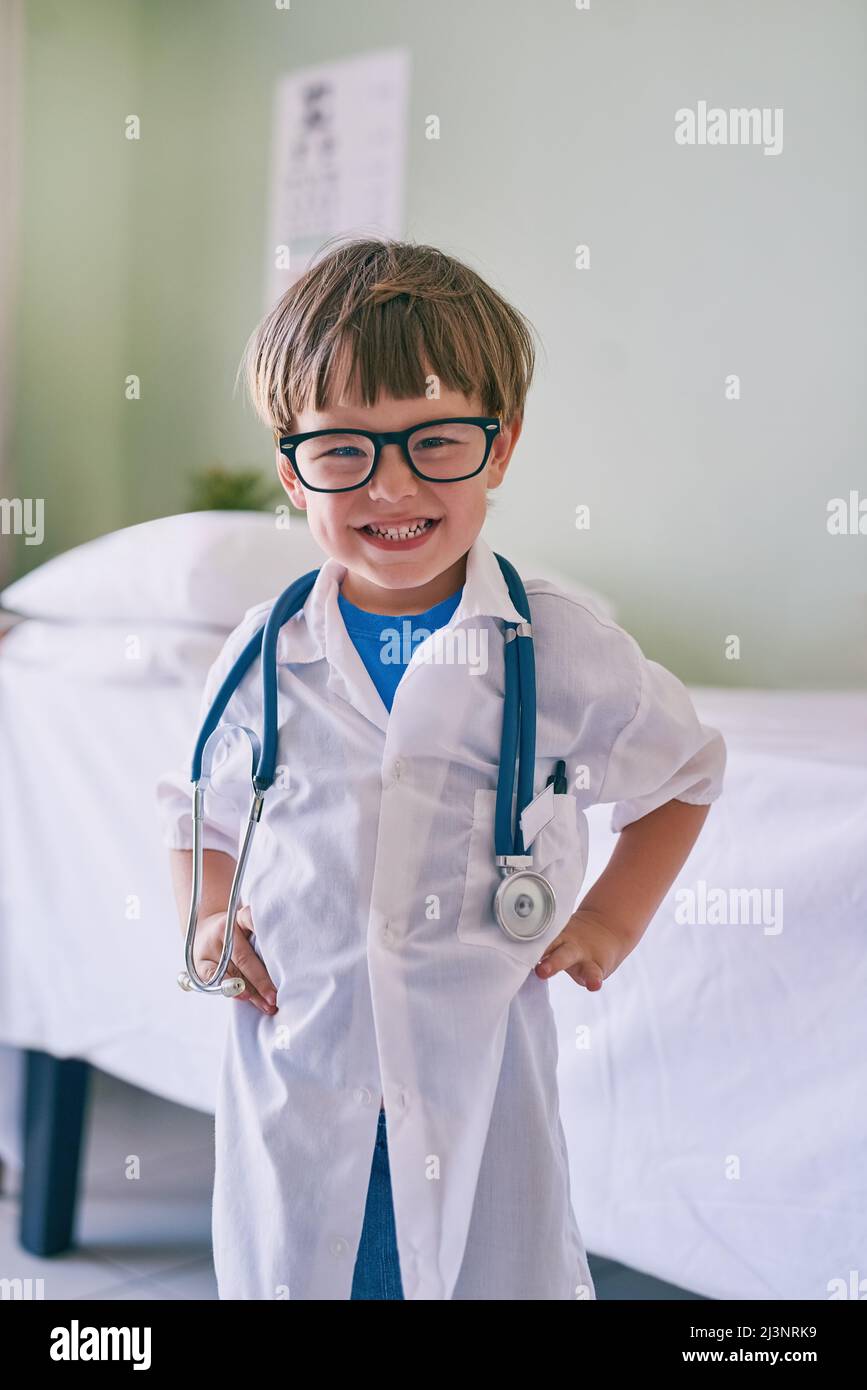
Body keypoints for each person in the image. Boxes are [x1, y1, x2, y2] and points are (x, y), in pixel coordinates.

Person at [156, 235, 726, 1301]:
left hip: (476, 1080)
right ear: (292, 470)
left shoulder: (557, 644)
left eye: (435, 442)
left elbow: (685, 772)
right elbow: (202, 812)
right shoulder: (260, 651)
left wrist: (609, 921)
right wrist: (207, 915)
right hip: (302, 1072)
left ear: (500, 447)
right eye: (345, 451)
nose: (393, 485)